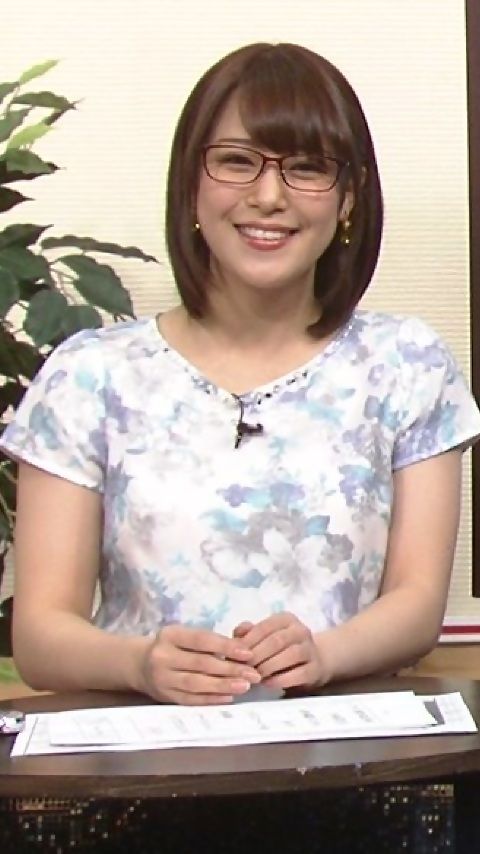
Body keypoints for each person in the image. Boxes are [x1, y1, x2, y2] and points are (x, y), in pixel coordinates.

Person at [2, 42, 480, 707]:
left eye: (307, 168)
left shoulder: (407, 364)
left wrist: (323, 654)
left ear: (348, 199)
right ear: (191, 186)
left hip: (349, 751)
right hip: (142, 757)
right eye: (236, 161)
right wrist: (141, 663)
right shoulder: (88, 376)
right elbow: (40, 636)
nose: (268, 196)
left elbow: (417, 602)